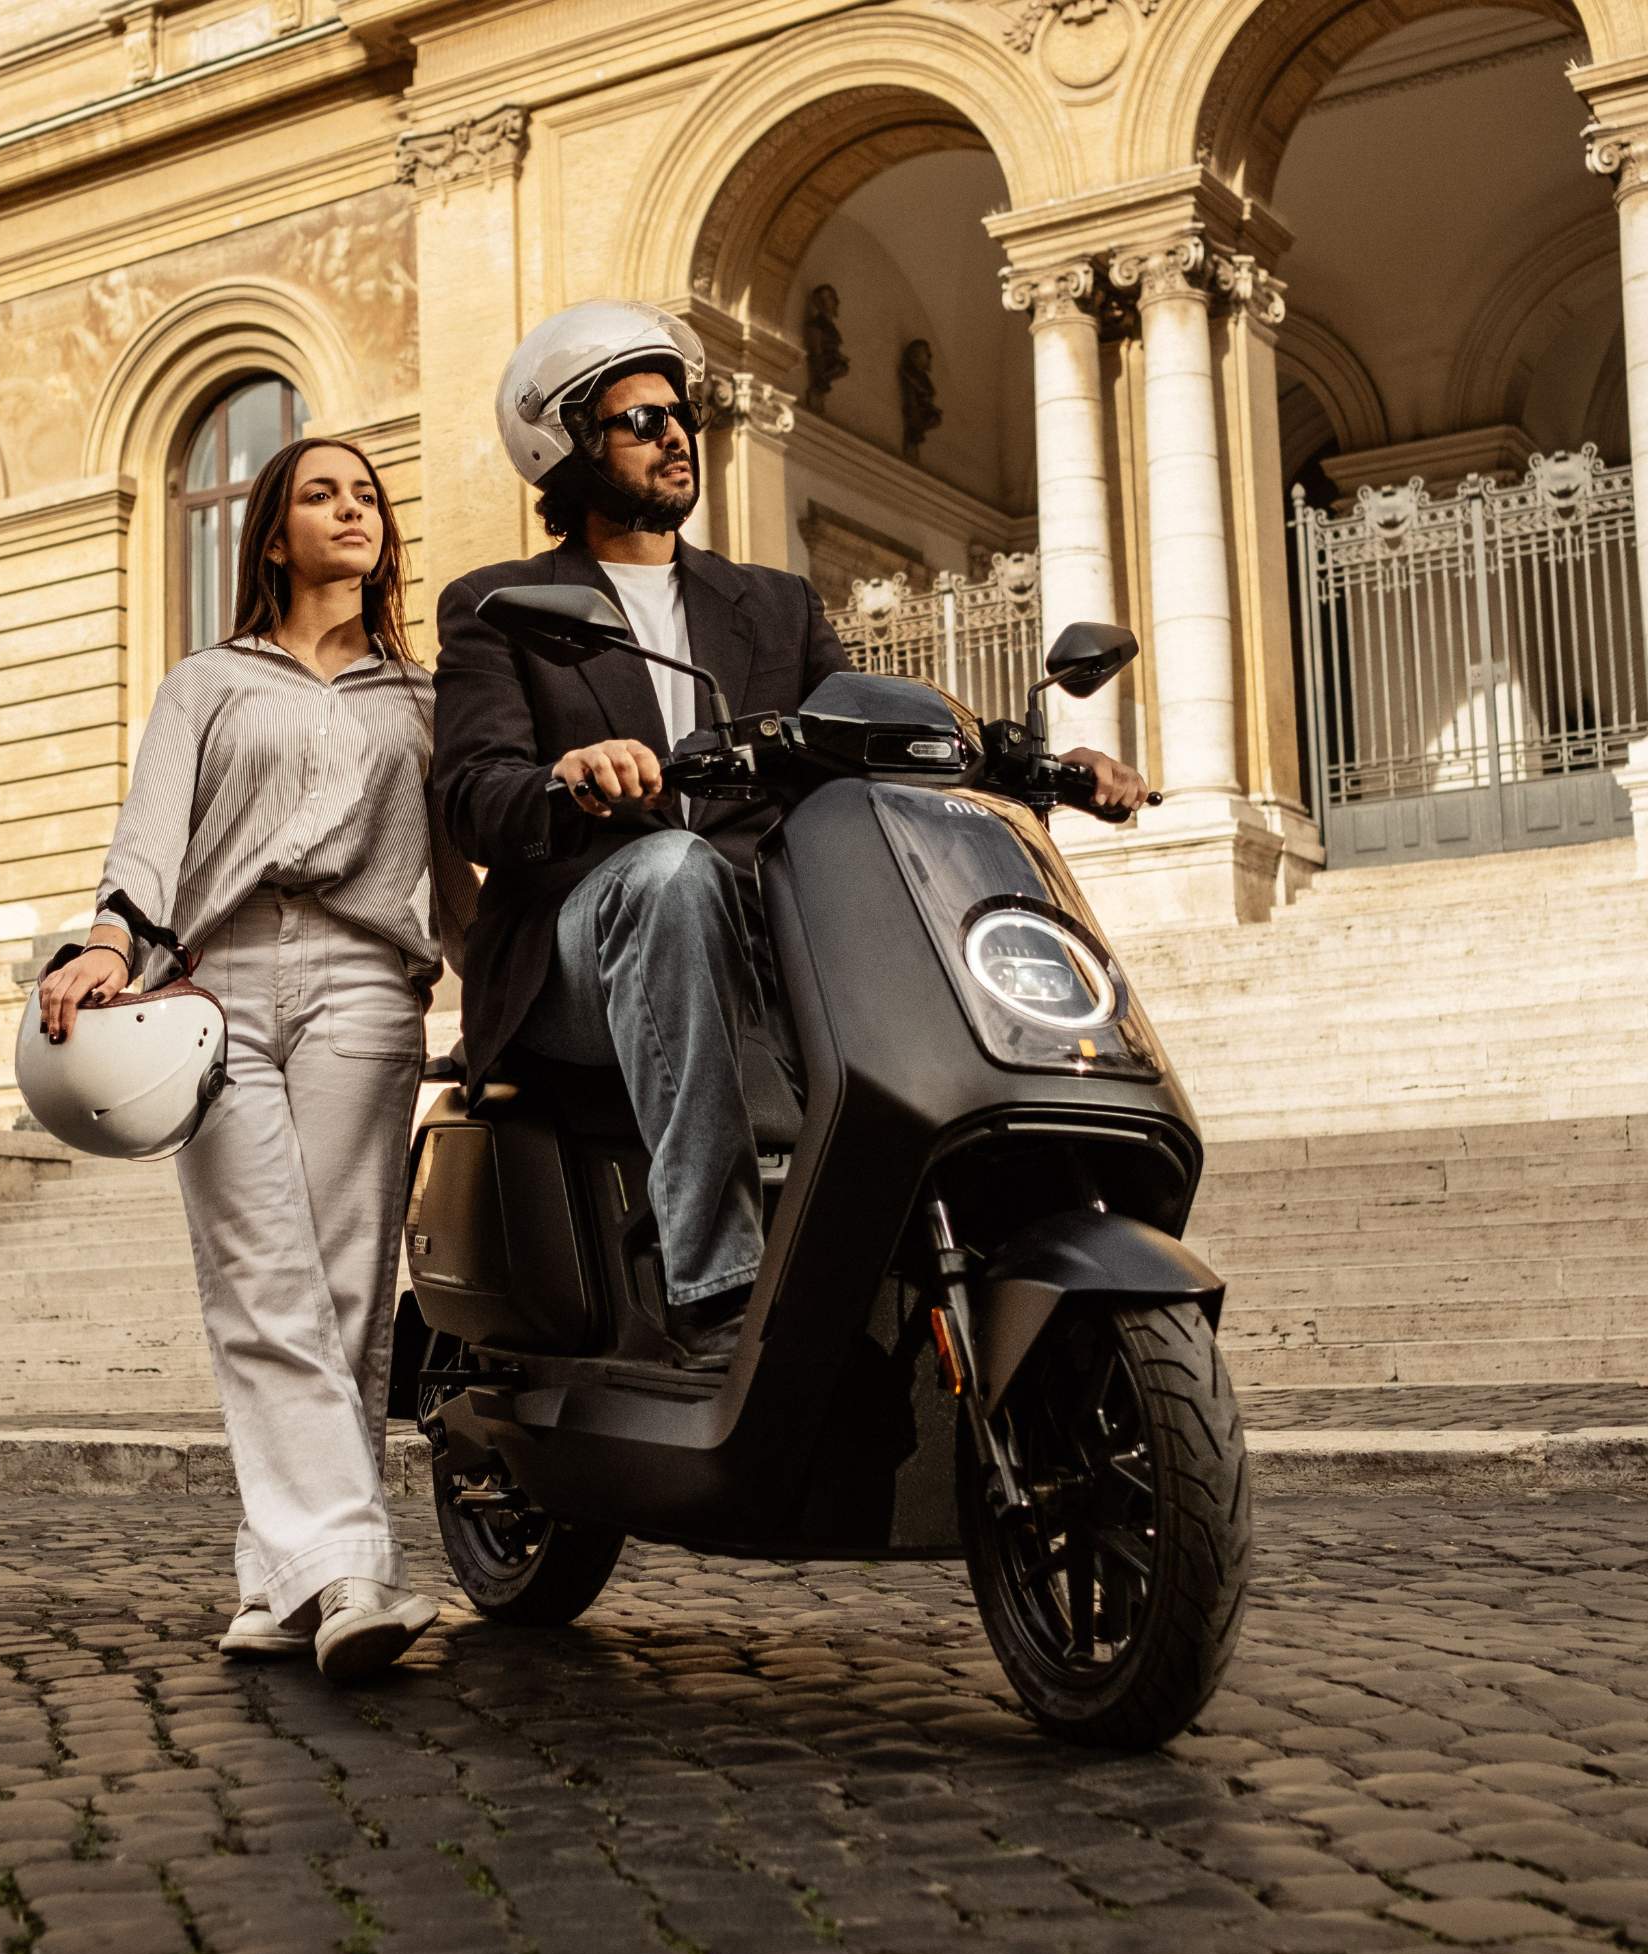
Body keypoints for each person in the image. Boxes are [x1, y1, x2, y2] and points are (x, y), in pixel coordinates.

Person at [432, 302, 1148, 1371]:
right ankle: (714, 1283)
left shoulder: (766, 602)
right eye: (640, 420)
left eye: (685, 415)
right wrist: (565, 778)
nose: (677, 436)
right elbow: (471, 791)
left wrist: (1032, 761)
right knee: (670, 868)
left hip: (748, 939)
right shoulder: (502, 604)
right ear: (569, 444)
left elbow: (864, 718)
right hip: (572, 959)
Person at [36, 435, 473, 1680]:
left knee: (337, 1285)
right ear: (272, 537)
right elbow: (147, 840)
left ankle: (288, 1576)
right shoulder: (207, 682)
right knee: (258, 1277)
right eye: (319, 495)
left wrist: (494, 1006)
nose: (353, 509)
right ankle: (344, 1573)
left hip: (365, 989)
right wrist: (107, 941)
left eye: (367, 495)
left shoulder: (422, 702)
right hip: (209, 993)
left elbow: (455, 885)